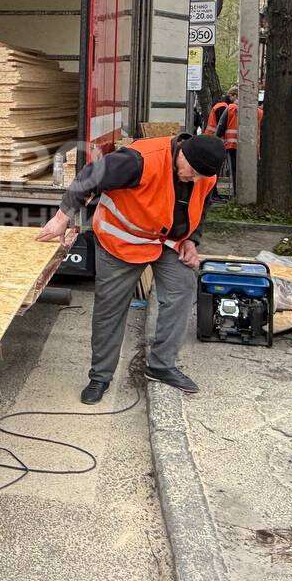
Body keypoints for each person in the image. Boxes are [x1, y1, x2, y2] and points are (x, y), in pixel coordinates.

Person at [37, 132, 225, 399]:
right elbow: (89, 176)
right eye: (191, 172)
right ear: (182, 152)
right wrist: (61, 218)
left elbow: (201, 206)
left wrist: (192, 240)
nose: (193, 179)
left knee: (182, 290)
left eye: (199, 176)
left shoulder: (205, 174)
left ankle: (161, 366)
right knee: (110, 309)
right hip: (121, 242)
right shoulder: (139, 160)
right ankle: (100, 377)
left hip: (167, 242)